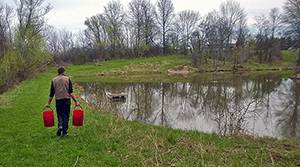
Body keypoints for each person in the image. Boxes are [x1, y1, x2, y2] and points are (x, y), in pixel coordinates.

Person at [47, 67, 79, 137]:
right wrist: (76, 101)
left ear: (58, 72)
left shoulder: (54, 80)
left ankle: (60, 126)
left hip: (58, 100)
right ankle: (65, 132)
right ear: (63, 72)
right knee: (66, 116)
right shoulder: (68, 79)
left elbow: (51, 93)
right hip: (66, 100)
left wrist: (48, 103)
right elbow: (71, 92)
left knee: (59, 114)